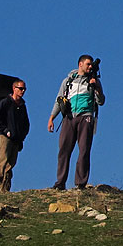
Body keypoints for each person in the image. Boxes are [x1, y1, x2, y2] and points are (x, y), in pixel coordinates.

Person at [47, 54, 105, 190]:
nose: (90, 67)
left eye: (91, 65)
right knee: (64, 150)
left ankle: (80, 183)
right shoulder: (68, 80)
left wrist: (96, 88)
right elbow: (59, 99)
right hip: (69, 117)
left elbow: (101, 101)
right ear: (80, 64)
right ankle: (60, 182)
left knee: (84, 150)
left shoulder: (94, 80)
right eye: (88, 64)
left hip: (86, 116)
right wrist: (51, 118)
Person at [0, 78, 30, 194]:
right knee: (1, 161)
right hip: (4, 137)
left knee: (11, 164)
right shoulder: (5, 102)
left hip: (16, 140)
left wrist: (21, 136)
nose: (22, 91)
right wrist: (5, 130)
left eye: (24, 89)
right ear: (14, 88)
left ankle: (5, 188)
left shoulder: (22, 106)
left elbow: (26, 123)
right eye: (20, 88)